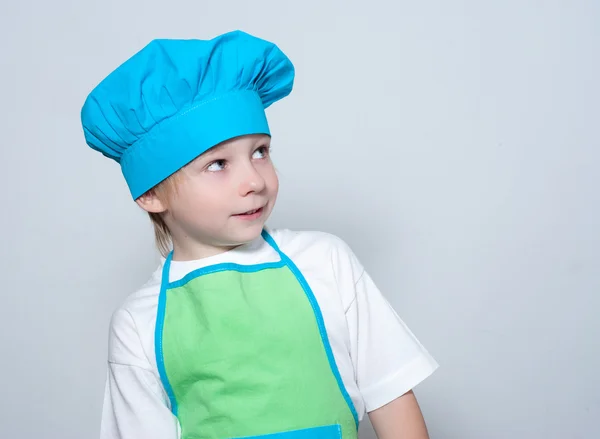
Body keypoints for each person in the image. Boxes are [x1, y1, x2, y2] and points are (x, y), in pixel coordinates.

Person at [81, 30, 438, 439]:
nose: (255, 180)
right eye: (217, 164)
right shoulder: (138, 322)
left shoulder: (325, 262)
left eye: (260, 152)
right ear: (150, 194)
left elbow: (391, 397)